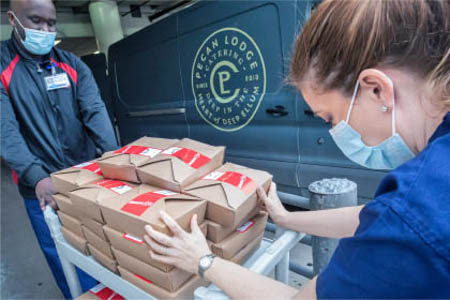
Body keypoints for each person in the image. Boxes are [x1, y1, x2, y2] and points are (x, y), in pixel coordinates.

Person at [142, 0, 450, 298]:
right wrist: (288, 219)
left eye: (330, 118)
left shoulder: (416, 210)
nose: (334, 133)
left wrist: (202, 261)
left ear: (376, 89)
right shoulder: (425, 193)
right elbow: (376, 218)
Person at [1, 0, 118, 298]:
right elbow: (5, 129)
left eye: (51, 23)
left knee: (104, 250)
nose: (45, 30)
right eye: (36, 21)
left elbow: (94, 111)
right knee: (64, 259)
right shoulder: (3, 65)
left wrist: (113, 160)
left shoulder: (71, 64)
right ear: (13, 19)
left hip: (85, 179)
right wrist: (35, 174)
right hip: (39, 186)